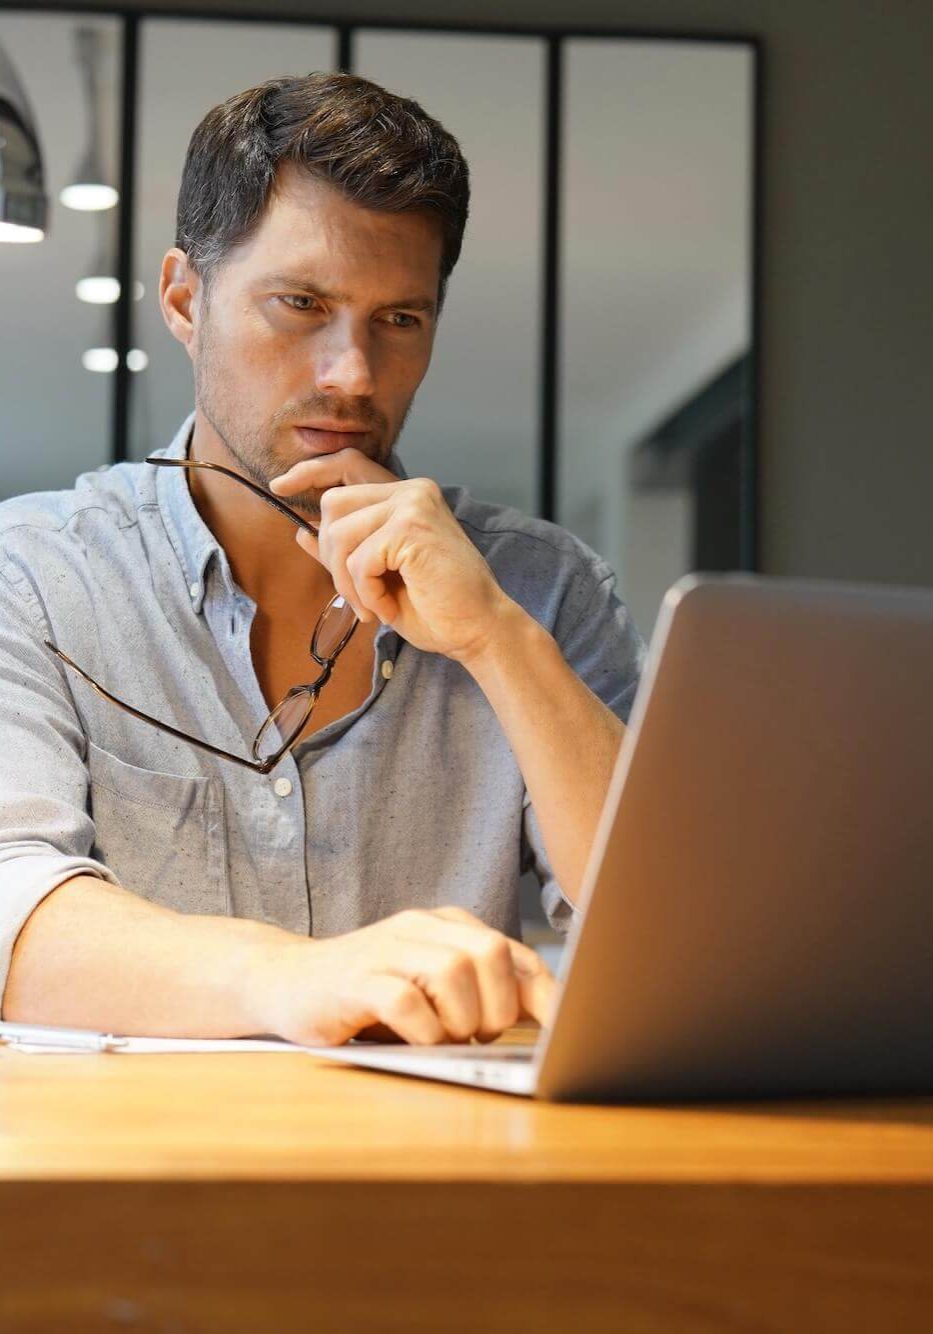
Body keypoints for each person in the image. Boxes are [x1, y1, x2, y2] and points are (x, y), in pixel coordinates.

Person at [0, 72, 644, 1047]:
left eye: (399, 319)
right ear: (183, 298)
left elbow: (654, 931)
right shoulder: (33, 575)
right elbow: (15, 907)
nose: (353, 373)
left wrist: (496, 638)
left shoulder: (545, 589)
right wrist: (298, 976)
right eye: (300, 302)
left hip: (448, 1179)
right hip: (131, 1180)